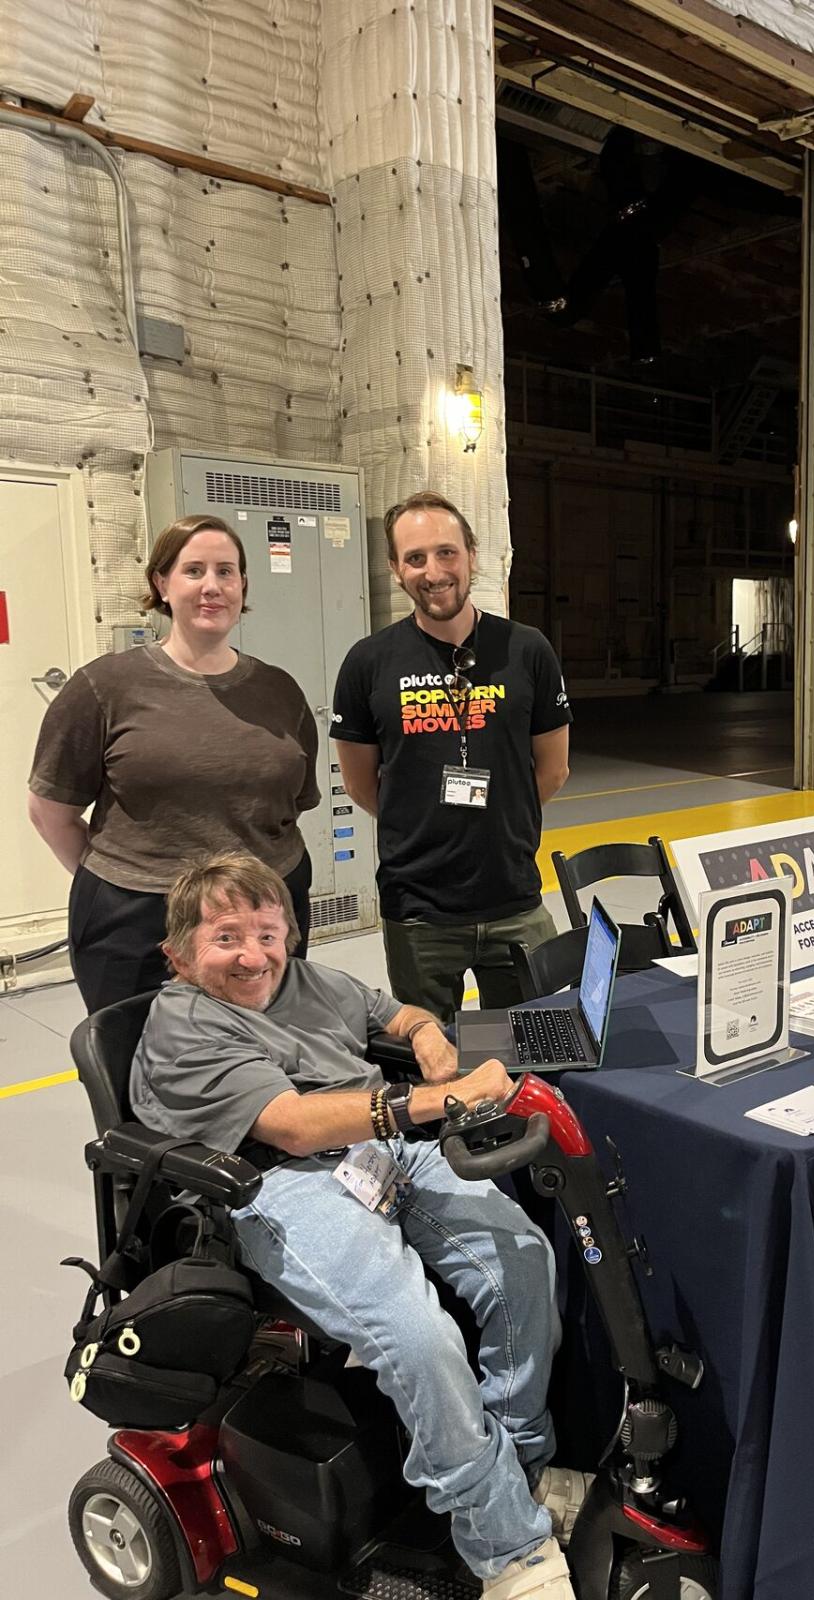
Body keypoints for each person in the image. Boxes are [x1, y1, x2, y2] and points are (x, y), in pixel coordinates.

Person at [129, 852, 583, 1599]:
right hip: (276, 1179)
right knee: (417, 1336)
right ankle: (507, 1549)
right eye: (227, 938)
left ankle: (515, 1464)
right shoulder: (185, 1026)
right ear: (178, 955)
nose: (255, 956)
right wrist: (439, 1101)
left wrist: (432, 1037)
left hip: (382, 1149)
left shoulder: (307, 982)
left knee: (522, 1258)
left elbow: (392, 1014)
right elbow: (295, 1127)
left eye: (269, 934)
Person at [27, 514, 318, 1013]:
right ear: (162, 583)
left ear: (243, 585)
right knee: (139, 1070)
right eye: (194, 571)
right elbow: (47, 810)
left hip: (263, 912)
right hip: (139, 921)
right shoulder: (103, 687)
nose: (212, 586)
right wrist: (129, 880)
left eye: (226, 572)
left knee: (267, 1062)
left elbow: (293, 803)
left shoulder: (279, 689)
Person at [332, 491, 571, 1023]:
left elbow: (552, 771)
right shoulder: (367, 662)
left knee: (531, 1048)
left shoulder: (527, 650)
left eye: (446, 553)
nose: (433, 571)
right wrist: (424, 824)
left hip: (515, 899)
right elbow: (360, 784)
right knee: (431, 1060)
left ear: (472, 556)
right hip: (418, 911)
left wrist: (500, 820)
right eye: (414, 558)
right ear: (395, 568)